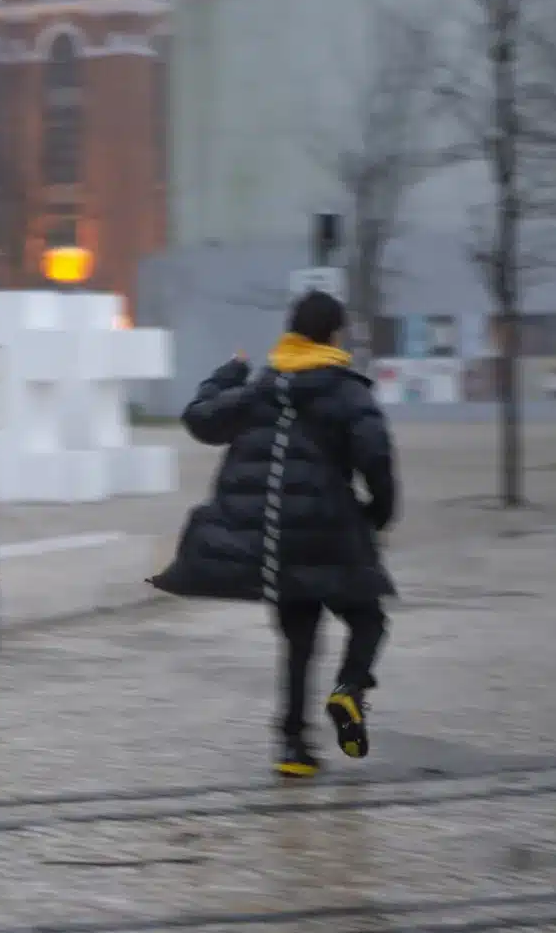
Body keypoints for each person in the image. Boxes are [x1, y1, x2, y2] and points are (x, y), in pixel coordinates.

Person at [177, 290, 398, 778]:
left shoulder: (261, 388)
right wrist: (379, 513)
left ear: (292, 333)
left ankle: (293, 746)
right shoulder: (346, 390)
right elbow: (376, 457)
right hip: (330, 533)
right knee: (368, 619)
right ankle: (348, 690)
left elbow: (200, 417)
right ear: (335, 335)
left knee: (298, 639)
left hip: (276, 536)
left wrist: (229, 371)